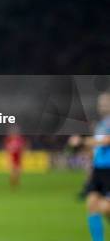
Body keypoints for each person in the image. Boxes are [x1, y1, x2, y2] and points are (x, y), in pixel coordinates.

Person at [69, 92, 110, 241]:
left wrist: (82, 141)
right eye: (101, 103)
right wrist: (84, 149)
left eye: (106, 102)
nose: (102, 105)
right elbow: (98, 147)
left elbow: (106, 141)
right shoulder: (100, 125)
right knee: (92, 205)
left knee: (106, 208)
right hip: (99, 170)